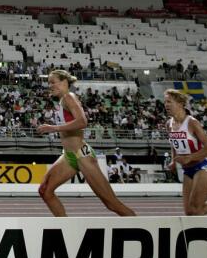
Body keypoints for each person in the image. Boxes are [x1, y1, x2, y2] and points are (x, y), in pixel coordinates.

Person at [35, 70, 135, 216]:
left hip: (82, 155)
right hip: (69, 156)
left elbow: (82, 122)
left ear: (64, 82)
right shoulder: (63, 100)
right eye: (49, 82)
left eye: (52, 82)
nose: (49, 86)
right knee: (45, 190)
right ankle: (65, 230)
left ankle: (141, 227)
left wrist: (53, 128)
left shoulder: (69, 97)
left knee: (113, 204)